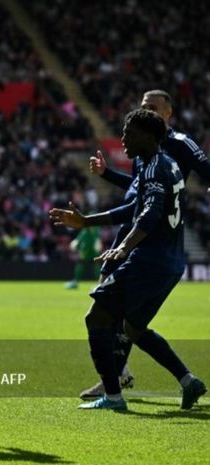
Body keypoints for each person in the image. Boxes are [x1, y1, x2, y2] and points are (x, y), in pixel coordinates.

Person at [50, 109, 206, 411]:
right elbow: (136, 208)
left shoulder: (152, 169)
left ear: (148, 136)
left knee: (96, 318)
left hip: (150, 260)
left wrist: (124, 248)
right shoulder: (165, 164)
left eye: (128, 132)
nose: (122, 138)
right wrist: (87, 222)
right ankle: (189, 381)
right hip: (172, 263)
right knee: (133, 329)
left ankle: (112, 396)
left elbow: (149, 215)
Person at [64, 225, 101, 289]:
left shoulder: (92, 230)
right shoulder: (86, 230)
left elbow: (94, 239)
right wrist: (76, 242)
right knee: (86, 264)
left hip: (89, 250)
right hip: (89, 249)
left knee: (89, 264)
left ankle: (100, 283)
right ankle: (75, 282)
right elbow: (81, 238)